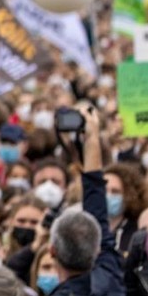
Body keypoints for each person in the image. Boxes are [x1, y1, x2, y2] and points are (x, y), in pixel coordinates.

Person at [47, 105, 124, 295]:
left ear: (52, 251)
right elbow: (97, 206)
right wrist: (92, 139)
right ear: (97, 250)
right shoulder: (109, 279)